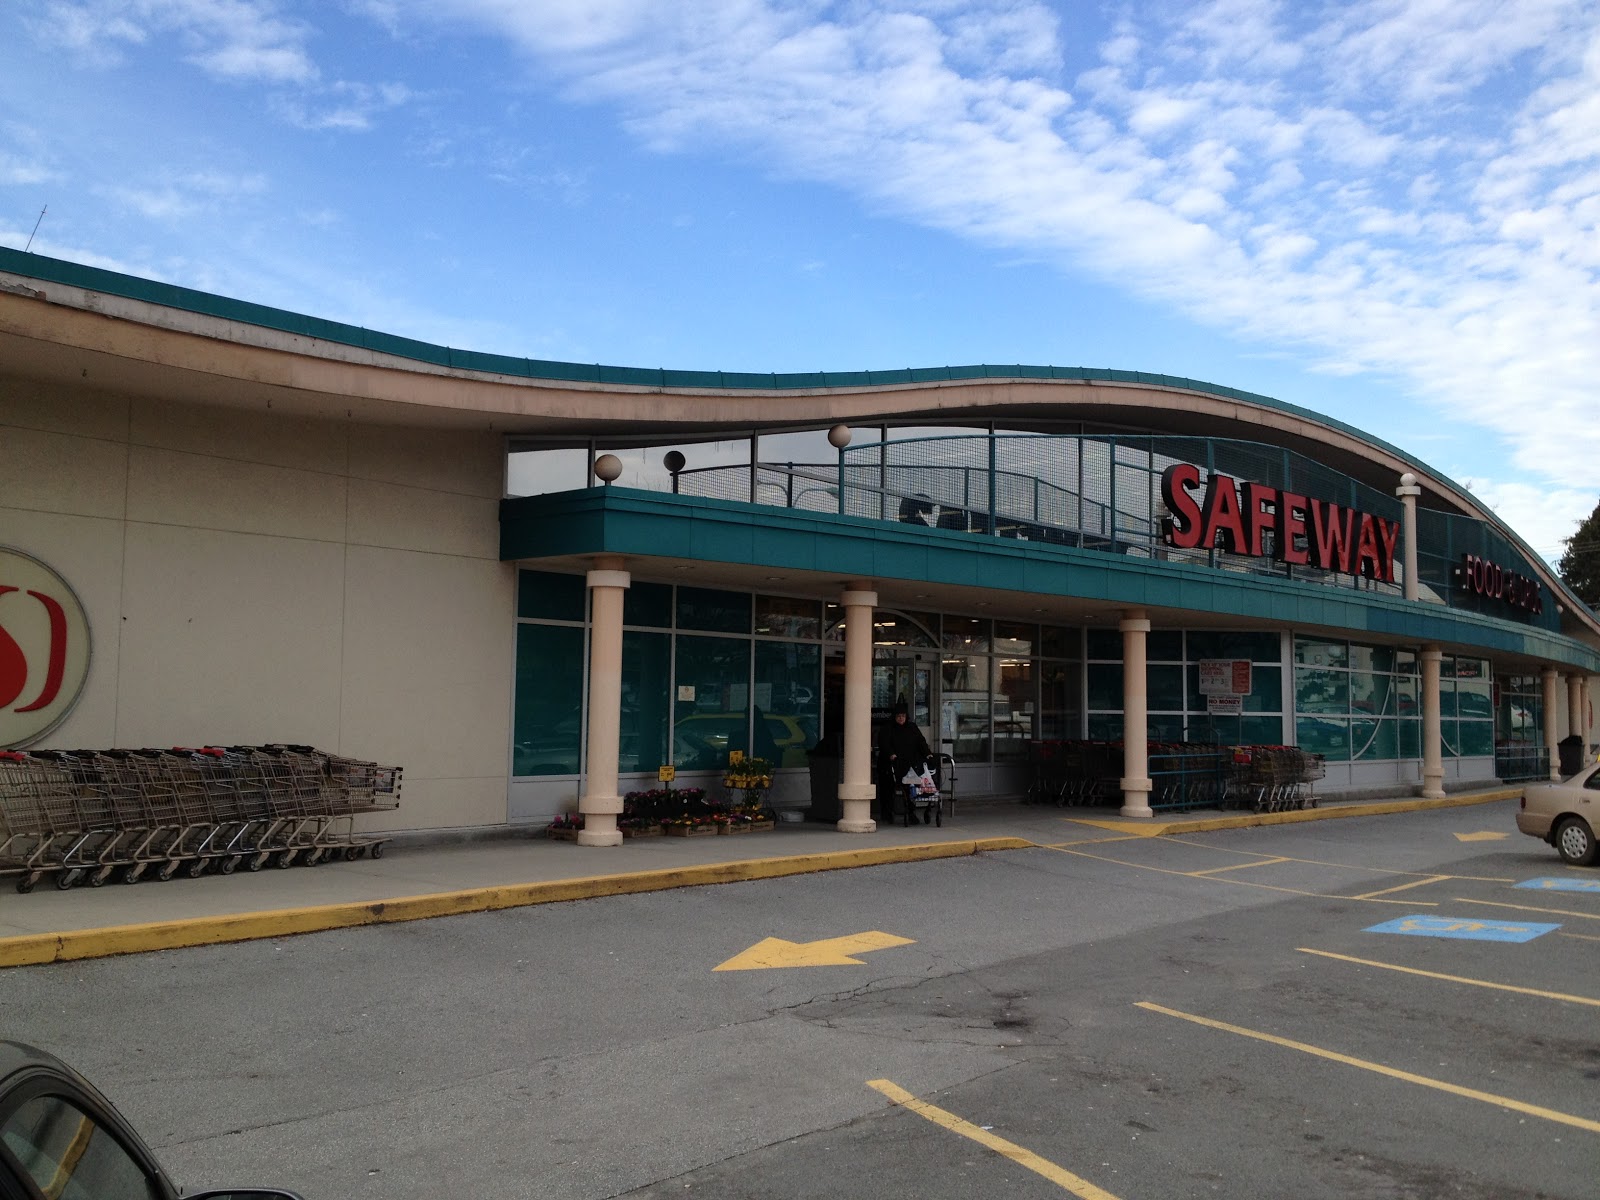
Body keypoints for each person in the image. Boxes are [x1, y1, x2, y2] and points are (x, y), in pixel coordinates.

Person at [879, 701, 934, 824]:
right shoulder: (888, 728)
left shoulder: (912, 728)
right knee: (889, 789)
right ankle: (888, 813)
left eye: (903, 716)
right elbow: (884, 743)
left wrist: (928, 754)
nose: (901, 718)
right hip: (893, 765)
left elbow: (921, 742)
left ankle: (911, 812)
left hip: (910, 765)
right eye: (898, 716)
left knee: (912, 787)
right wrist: (891, 754)